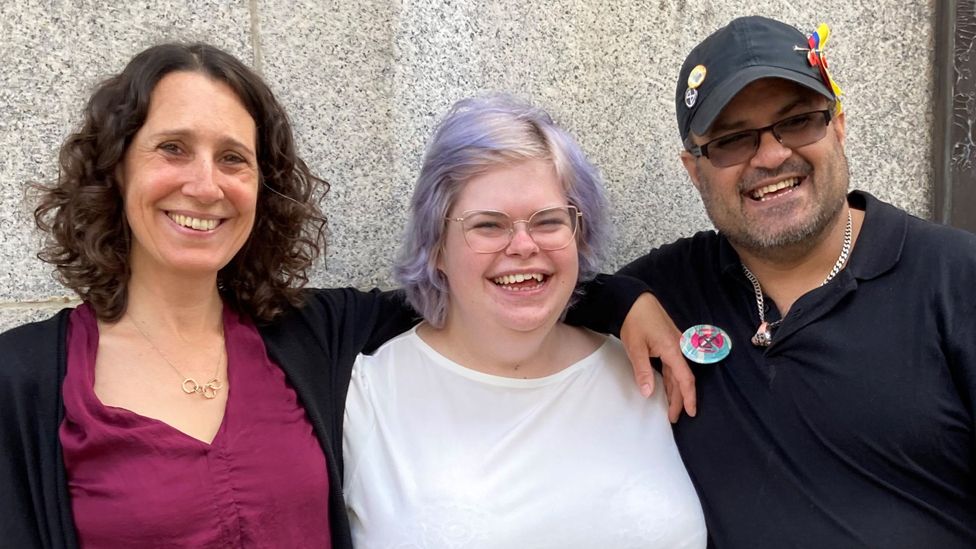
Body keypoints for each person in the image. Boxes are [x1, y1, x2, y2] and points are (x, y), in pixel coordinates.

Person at [0, 43, 691, 548]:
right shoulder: (25, 381)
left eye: (233, 157)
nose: (206, 184)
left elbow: (494, 299)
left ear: (260, 187)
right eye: (173, 148)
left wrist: (624, 299)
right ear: (115, 168)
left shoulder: (310, 336)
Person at [617, 16, 976, 547]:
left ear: (839, 126)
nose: (771, 154)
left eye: (799, 121)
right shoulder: (674, 286)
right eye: (733, 139)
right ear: (694, 170)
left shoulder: (955, 279)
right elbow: (543, 293)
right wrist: (621, 302)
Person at [342, 95, 707, 548]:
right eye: (488, 226)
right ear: (436, 247)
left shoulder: (645, 369)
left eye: (549, 221)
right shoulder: (365, 396)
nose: (522, 245)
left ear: (579, 233)